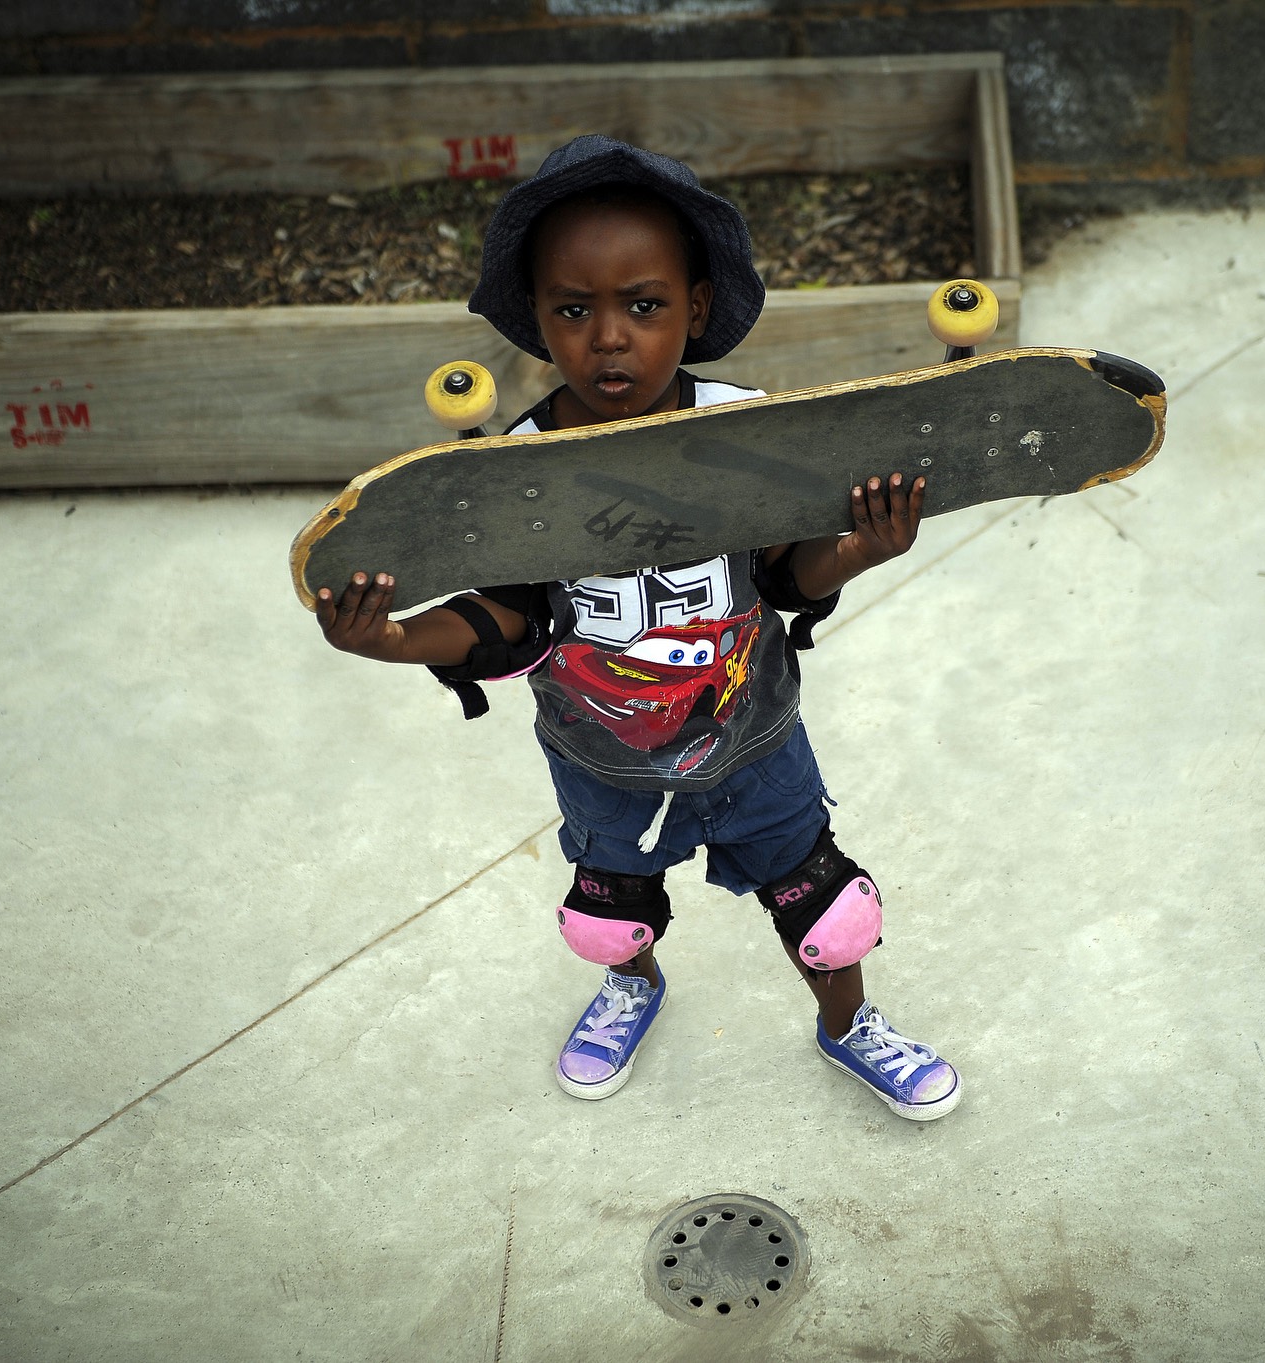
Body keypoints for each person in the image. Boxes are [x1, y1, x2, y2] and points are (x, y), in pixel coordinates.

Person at [314, 136, 960, 1121]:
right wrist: (395, 641)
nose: (607, 338)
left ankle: (846, 1026)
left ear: (695, 309)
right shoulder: (515, 474)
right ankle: (632, 982)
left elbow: (789, 573)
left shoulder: (745, 433)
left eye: (643, 306)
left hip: (753, 741)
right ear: (537, 320)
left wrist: (864, 546)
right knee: (611, 918)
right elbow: (505, 620)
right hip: (604, 759)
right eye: (573, 310)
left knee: (827, 914)